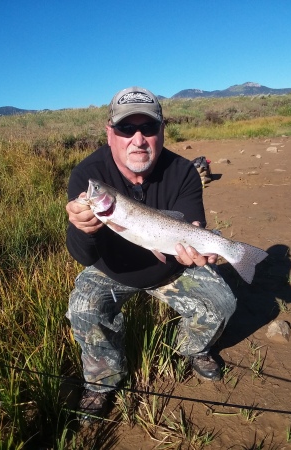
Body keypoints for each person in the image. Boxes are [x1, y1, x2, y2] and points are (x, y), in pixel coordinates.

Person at [65, 86, 237, 419]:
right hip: (111, 269)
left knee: (222, 302)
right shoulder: (88, 176)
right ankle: (102, 381)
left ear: (162, 131)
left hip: (170, 265)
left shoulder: (184, 171)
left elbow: (189, 228)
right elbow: (84, 257)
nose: (138, 138)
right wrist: (82, 229)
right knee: (84, 309)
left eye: (149, 128)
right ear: (110, 133)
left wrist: (200, 247)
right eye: (127, 128)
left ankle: (194, 349)